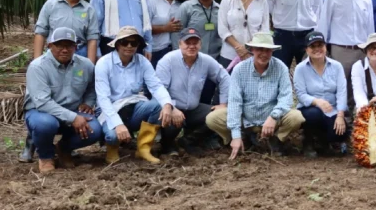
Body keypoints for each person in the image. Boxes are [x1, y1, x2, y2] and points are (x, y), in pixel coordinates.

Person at [22, 0, 100, 164]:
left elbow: (92, 38)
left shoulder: (88, 9)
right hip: (51, 56)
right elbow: (41, 32)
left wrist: (90, 63)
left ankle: (65, 147)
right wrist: (38, 59)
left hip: (78, 55)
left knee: (79, 101)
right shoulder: (51, 5)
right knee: (45, 120)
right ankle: (39, 147)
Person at [206, 32, 306, 158]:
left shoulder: (281, 68)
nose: (264, 54)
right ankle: (240, 138)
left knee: (296, 117)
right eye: (260, 49)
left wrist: (273, 117)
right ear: (252, 50)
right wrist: (235, 134)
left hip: (271, 118)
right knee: (212, 118)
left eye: (268, 50)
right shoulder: (240, 69)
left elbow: (286, 98)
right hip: (246, 117)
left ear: (272, 51)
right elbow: (235, 102)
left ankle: (276, 140)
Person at [94, 26, 175, 164]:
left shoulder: (142, 61)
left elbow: (156, 85)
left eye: (134, 43)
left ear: (139, 45)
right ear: (117, 44)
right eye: (125, 42)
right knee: (113, 136)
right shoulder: (103, 63)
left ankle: (143, 148)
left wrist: (167, 104)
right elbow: (103, 99)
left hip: (134, 105)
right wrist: (118, 124)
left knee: (157, 106)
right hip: (111, 109)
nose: (129, 46)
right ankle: (112, 149)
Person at [23, 28, 99, 173]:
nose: (64, 50)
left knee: (95, 129)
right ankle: (45, 156)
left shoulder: (86, 65)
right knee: (45, 124)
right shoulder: (38, 67)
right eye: (60, 45)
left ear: (76, 47)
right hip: (42, 112)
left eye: (69, 46)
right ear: (49, 46)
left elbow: (92, 87)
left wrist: (88, 103)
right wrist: (73, 117)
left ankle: (63, 148)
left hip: (73, 110)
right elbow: (43, 103)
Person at [155, 28, 230, 155]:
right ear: (180, 44)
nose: (191, 46)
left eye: (195, 43)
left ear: (200, 44)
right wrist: (171, 106)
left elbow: (224, 78)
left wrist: (223, 103)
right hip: (172, 107)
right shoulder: (167, 60)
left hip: (194, 108)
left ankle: (189, 141)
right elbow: (159, 88)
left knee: (222, 114)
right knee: (169, 117)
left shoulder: (206, 60)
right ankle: (167, 145)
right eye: (187, 43)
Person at [318, 0, 374, 110]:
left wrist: (371, 48)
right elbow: (324, 23)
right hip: (340, 50)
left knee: (359, 85)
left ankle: (356, 118)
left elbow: (369, 26)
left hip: (361, 50)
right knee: (340, 84)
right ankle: (338, 116)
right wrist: (321, 47)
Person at [294, 32, 349, 157]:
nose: (317, 49)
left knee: (339, 133)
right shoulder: (300, 68)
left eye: (320, 45)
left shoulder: (336, 66)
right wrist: (317, 101)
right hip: (310, 109)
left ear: (325, 47)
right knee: (314, 114)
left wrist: (340, 115)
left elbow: (342, 92)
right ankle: (308, 141)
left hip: (333, 110)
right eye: (313, 46)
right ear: (307, 50)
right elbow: (301, 94)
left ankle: (323, 141)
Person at [32, 0, 99, 63]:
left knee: (78, 78)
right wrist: (37, 62)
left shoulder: (89, 10)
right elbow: (40, 33)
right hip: (54, 54)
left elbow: (92, 39)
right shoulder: (50, 5)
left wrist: (90, 65)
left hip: (79, 54)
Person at [177, 0, 222, 105]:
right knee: (189, 93)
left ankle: (203, 122)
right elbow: (177, 32)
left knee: (208, 92)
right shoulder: (186, 7)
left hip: (213, 59)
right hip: (190, 59)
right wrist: (179, 55)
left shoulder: (220, 9)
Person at [218, 0, 271, 66]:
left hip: (253, 54)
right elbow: (222, 29)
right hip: (229, 55)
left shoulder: (262, 3)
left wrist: (248, 48)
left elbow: (264, 30)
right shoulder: (226, 1)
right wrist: (239, 47)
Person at [146, 0, 186, 66]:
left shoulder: (181, 5)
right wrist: (165, 28)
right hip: (154, 52)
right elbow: (143, 28)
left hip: (175, 51)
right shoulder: (150, 1)